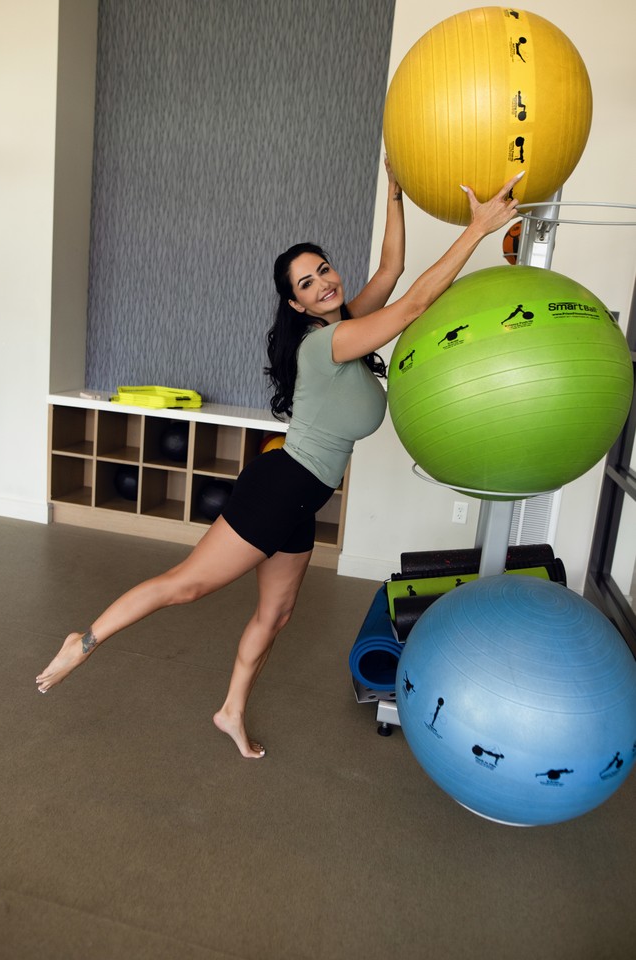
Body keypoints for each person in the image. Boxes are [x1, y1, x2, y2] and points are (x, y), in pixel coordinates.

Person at [36, 161, 523, 759]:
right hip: (280, 488)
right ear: (295, 303)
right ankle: (84, 640)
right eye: (307, 283)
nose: (323, 284)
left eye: (324, 270)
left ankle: (231, 711)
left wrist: (394, 194)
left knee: (278, 613)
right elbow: (415, 303)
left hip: (302, 497)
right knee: (186, 585)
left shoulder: (347, 321)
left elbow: (393, 269)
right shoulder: (326, 344)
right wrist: (477, 230)